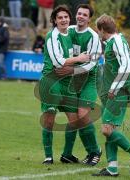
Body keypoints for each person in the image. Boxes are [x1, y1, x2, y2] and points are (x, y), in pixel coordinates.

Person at [92, 14, 130, 177]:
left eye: (97, 29)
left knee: (106, 129)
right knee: (110, 128)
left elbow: (126, 65)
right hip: (114, 92)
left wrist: (114, 88)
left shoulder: (118, 41)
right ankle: (112, 167)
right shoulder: (112, 42)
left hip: (119, 92)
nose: (97, 33)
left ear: (101, 29)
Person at [39, 4, 90, 164]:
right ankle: (48, 155)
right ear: (54, 20)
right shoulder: (51, 36)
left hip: (67, 82)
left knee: (74, 119)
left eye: (66, 17)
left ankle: (67, 154)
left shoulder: (71, 33)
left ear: (70, 18)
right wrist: (79, 59)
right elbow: (58, 61)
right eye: (60, 17)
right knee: (49, 119)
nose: (63, 20)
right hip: (51, 81)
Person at [55, 4, 102, 166]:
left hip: (89, 77)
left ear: (89, 19)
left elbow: (91, 64)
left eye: (84, 15)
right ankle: (67, 154)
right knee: (73, 117)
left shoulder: (93, 37)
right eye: (79, 13)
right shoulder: (69, 30)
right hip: (71, 79)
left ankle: (94, 151)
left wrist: (70, 71)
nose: (80, 16)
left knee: (82, 114)